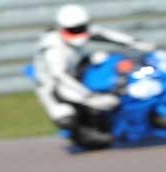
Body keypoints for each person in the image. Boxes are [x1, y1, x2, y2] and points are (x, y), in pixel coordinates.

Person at [32, 4, 156, 145]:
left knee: (104, 61)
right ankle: (81, 135)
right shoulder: (53, 48)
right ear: (62, 28)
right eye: (73, 30)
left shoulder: (84, 30)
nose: (78, 32)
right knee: (65, 117)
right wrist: (89, 96)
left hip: (76, 68)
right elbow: (60, 76)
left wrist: (136, 42)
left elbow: (106, 34)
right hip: (53, 85)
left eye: (81, 28)